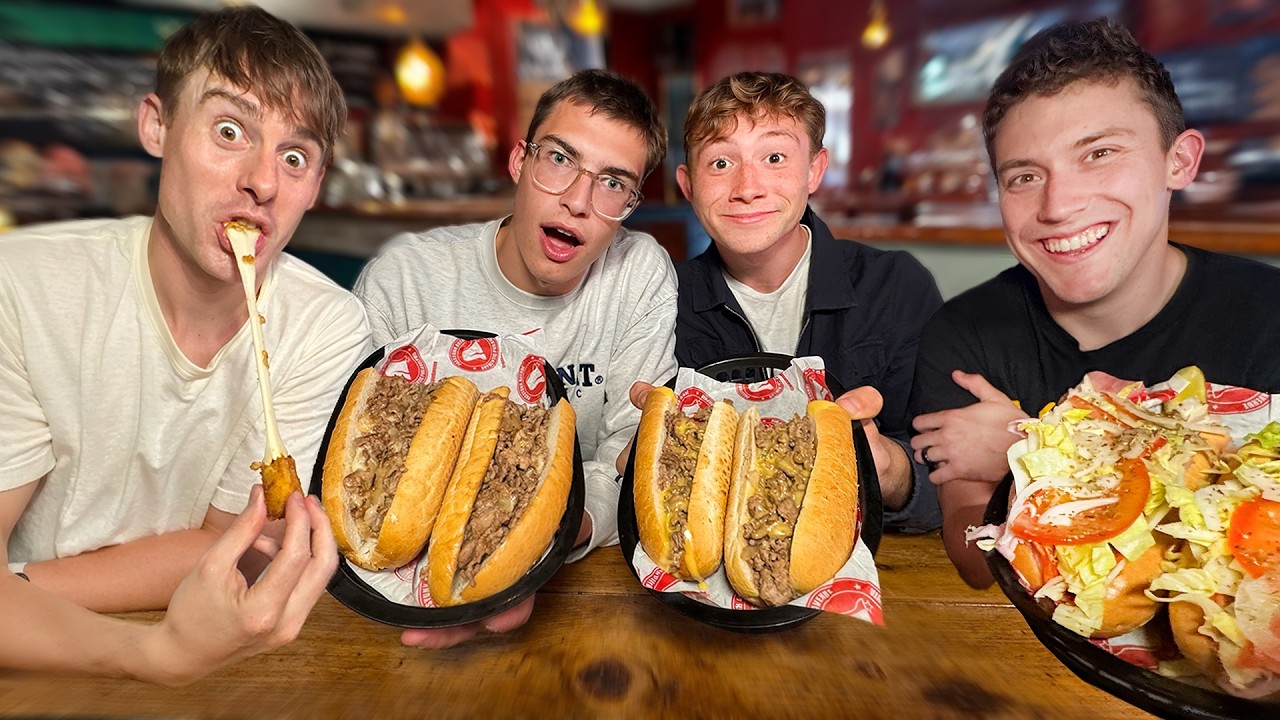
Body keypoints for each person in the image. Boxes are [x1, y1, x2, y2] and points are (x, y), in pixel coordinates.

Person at [0, 7, 372, 684]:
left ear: (314, 186)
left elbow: (231, 547)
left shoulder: (327, 329)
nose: (263, 181)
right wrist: (156, 653)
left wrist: (17, 587)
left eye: (295, 156)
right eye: (230, 131)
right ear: (157, 126)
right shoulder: (21, 289)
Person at [908, 17, 1280, 588]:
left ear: (1178, 161)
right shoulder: (962, 335)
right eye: (1025, 176)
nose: (1059, 205)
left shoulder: (1267, 318)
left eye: (1100, 153)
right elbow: (970, 552)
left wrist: (1028, 450)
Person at [353, 69, 676, 646]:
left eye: (612, 184)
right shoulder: (405, 279)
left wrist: (558, 534)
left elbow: (627, 451)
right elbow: (353, 459)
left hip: (582, 625)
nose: (578, 200)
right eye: (559, 159)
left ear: (631, 203)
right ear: (519, 162)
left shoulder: (640, 275)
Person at [660, 72, 944, 533]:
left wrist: (888, 468)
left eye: (774, 157)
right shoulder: (662, 301)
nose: (747, 187)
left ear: (814, 170)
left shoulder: (896, 286)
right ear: (688, 184)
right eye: (719, 164)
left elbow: (952, 484)